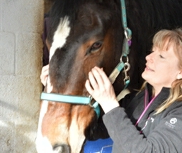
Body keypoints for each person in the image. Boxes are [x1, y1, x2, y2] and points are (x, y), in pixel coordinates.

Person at [40, 29, 182, 153]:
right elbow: (95, 131)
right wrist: (59, 87)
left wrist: (110, 105)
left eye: (161, 56)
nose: (148, 57)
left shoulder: (178, 113)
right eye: (152, 51)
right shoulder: (137, 100)